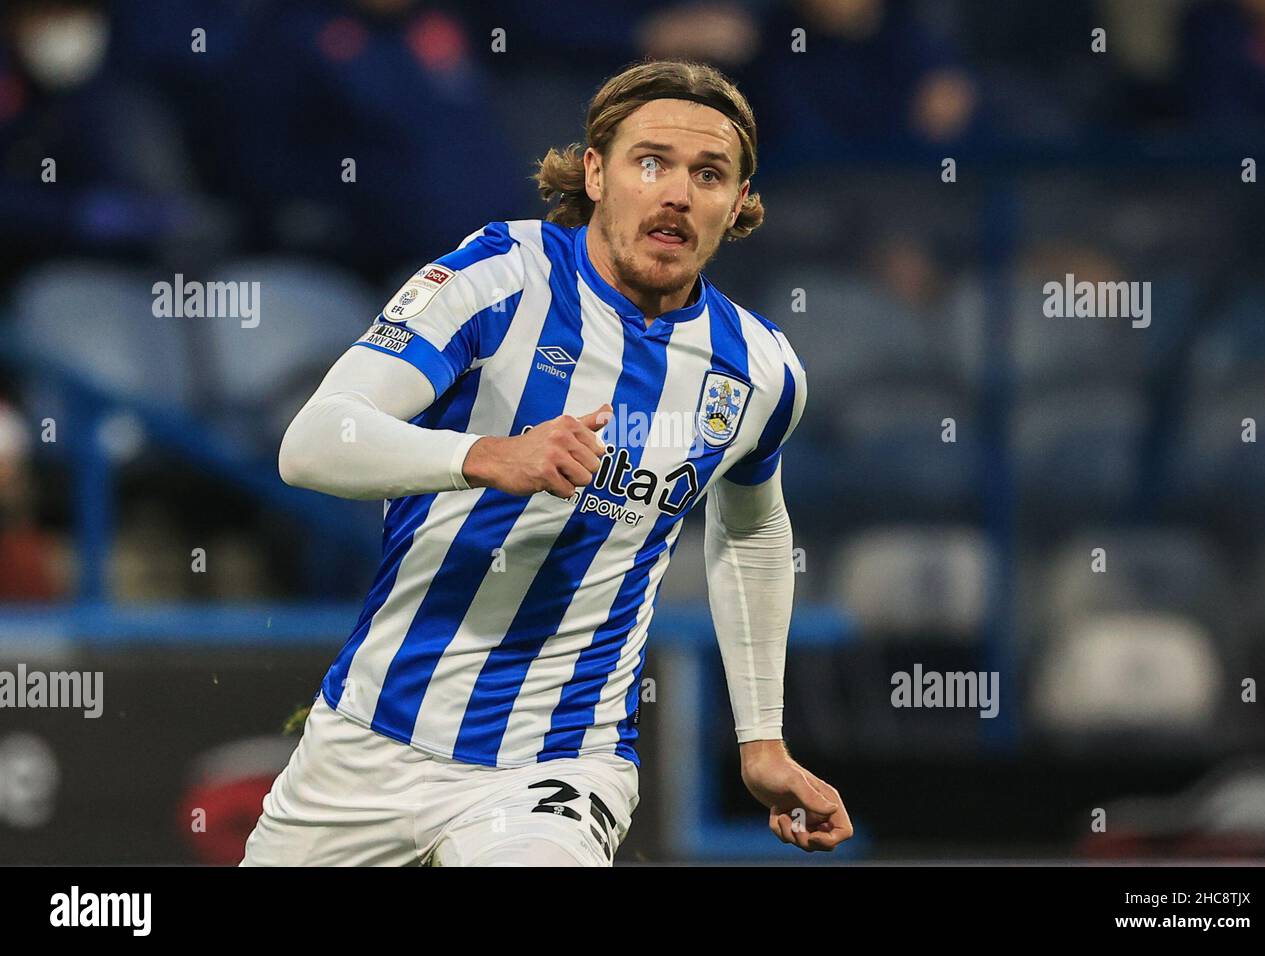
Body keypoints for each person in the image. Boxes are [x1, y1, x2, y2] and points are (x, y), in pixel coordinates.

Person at [241, 59, 852, 866]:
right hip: (368, 743)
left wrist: (762, 738)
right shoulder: (498, 277)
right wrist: (487, 455)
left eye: (708, 174)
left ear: (737, 205)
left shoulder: (760, 371)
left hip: (559, 762)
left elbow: (752, 532)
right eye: (651, 162)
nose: (676, 192)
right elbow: (312, 442)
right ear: (596, 172)